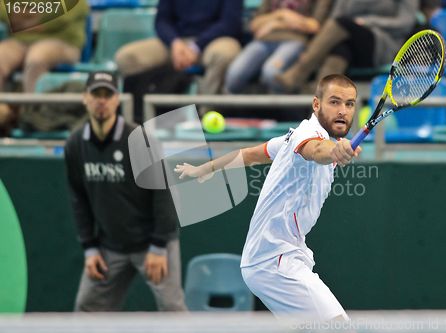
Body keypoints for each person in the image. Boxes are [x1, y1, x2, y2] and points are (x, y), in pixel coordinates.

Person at [175, 74, 361, 321]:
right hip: (273, 260)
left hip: (279, 256)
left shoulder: (288, 137)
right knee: (339, 326)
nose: (343, 111)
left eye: (349, 104)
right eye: (334, 102)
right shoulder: (306, 135)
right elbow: (316, 150)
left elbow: (251, 154)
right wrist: (335, 150)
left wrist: (206, 168)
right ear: (316, 104)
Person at [64, 71, 187, 312]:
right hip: (110, 246)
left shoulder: (139, 139)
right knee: (87, 309)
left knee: (173, 310)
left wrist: (159, 246)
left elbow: (164, 193)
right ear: (85, 98)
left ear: (117, 99)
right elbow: (78, 199)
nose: (102, 101)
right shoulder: (75, 145)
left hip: (153, 243)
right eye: (96, 94)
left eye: (107, 95)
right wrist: (89, 247)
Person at [275, 0, 418, 93]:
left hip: (382, 43)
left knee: (343, 24)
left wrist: (366, 21)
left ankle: (297, 74)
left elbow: (405, 22)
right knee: (340, 49)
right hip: (347, 39)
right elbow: (335, 17)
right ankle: (319, 107)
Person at [115, 0, 242, 95]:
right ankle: (141, 114)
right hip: (176, 42)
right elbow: (162, 21)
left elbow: (230, 23)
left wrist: (196, 46)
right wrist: (174, 42)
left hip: (213, 41)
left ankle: (205, 112)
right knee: (126, 57)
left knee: (224, 54)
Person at [0, 0, 89, 131]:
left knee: (35, 60)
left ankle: (31, 118)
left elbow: (74, 7)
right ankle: (2, 114)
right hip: (19, 40)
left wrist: (32, 20)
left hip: (62, 41)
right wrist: (18, 16)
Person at [224, 0, 332, 94]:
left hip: (294, 40)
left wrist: (275, 24)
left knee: (270, 72)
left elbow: (314, 26)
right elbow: (255, 24)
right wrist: (280, 14)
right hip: (263, 40)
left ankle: (292, 110)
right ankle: (252, 108)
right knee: (234, 76)